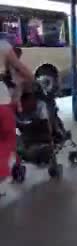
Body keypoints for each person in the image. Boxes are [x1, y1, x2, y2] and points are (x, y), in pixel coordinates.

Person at [0, 35, 33, 195]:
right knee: (7, 140)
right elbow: (21, 69)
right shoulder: (3, 45)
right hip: (2, 103)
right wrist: (32, 79)